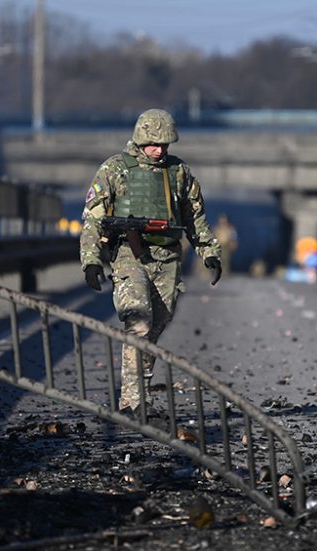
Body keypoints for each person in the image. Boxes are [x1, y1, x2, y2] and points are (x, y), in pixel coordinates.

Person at [79, 108, 222, 413]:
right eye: (155, 144)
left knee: (156, 326)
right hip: (129, 255)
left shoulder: (178, 173)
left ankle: (137, 396)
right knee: (139, 322)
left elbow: (194, 217)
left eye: (166, 145)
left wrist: (209, 252)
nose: (160, 150)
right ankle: (134, 404)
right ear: (141, 140)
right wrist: (91, 261)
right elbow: (92, 220)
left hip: (168, 257)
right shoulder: (114, 169)